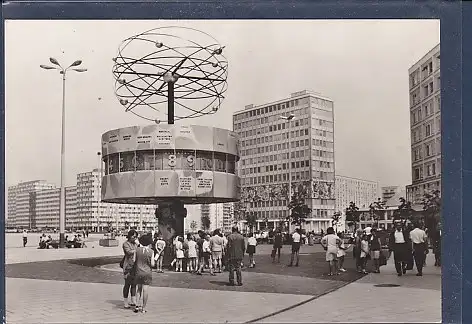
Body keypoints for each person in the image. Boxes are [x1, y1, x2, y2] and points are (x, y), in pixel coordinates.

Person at [134, 234, 155, 313]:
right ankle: (143, 308)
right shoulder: (151, 251)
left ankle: (136, 306)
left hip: (138, 272)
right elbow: (152, 264)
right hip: (147, 273)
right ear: (149, 243)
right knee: (145, 290)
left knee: (138, 289)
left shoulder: (137, 250)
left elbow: (133, 260)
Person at [122, 229, 138, 309]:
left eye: (136, 237)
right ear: (129, 236)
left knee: (134, 283)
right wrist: (137, 249)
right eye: (133, 236)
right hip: (128, 266)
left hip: (135, 266)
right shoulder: (125, 244)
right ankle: (125, 301)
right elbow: (128, 252)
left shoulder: (135, 244)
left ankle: (133, 300)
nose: (135, 238)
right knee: (127, 284)